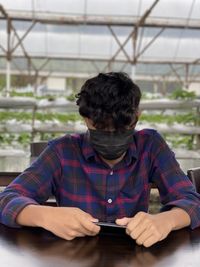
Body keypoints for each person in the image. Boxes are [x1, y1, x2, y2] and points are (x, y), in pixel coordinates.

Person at [0, 72, 200, 248]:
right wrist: (44, 215)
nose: (112, 135)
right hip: (72, 256)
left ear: (137, 117)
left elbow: (191, 201)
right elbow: (7, 198)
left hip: (134, 255)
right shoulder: (63, 151)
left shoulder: (151, 145)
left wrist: (166, 220)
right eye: (102, 128)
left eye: (122, 129)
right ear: (86, 119)